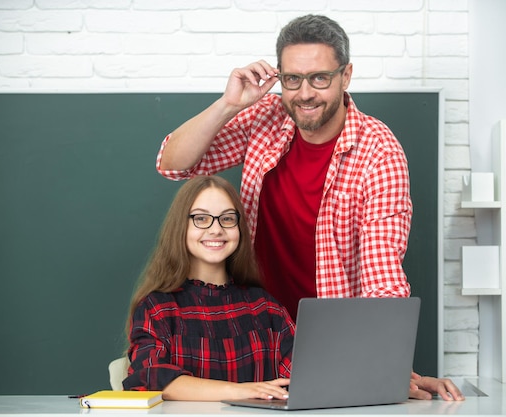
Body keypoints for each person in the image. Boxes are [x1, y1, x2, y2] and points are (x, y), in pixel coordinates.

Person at [155, 14, 464, 401]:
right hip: (250, 339)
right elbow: (173, 164)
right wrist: (228, 104)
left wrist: (388, 365)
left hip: (332, 350)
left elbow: (382, 274)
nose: (305, 93)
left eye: (319, 78)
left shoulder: (378, 151)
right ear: (280, 77)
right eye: (292, 79)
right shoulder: (265, 119)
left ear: (345, 75)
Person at [123, 175, 294, 401]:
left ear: (239, 226)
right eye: (201, 219)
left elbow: (303, 376)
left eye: (227, 219)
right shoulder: (157, 308)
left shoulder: (266, 307)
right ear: (180, 227)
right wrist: (241, 391)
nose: (216, 230)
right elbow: (150, 377)